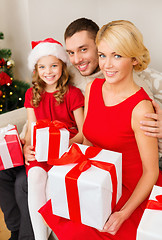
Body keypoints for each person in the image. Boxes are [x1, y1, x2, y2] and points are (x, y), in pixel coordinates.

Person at [38, 19, 162, 240]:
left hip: (132, 190)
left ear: (134, 59)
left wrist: (123, 214)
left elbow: (151, 172)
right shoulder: (92, 88)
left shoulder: (141, 108)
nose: (107, 65)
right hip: (102, 178)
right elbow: (87, 140)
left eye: (117, 56)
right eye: (103, 55)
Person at [64, 17, 162, 167]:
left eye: (83, 49)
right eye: (71, 52)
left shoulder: (130, 82)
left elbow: (150, 147)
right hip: (94, 160)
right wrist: (27, 139)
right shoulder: (72, 74)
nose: (76, 60)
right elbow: (41, 97)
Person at [23, 38, 84, 240]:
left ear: (62, 66)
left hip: (66, 151)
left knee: (52, 186)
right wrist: (27, 148)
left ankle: (57, 233)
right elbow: (32, 129)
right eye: (42, 67)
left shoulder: (73, 94)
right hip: (41, 152)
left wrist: (64, 144)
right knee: (35, 179)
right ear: (36, 70)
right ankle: (40, 238)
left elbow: (83, 133)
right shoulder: (32, 94)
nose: (48, 71)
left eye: (53, 65)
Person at [0, 165, 34, 240]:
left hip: (38, 161)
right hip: (19, 159)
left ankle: (27, 237)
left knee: (21, 183)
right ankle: (16, 231)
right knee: (1, 174)